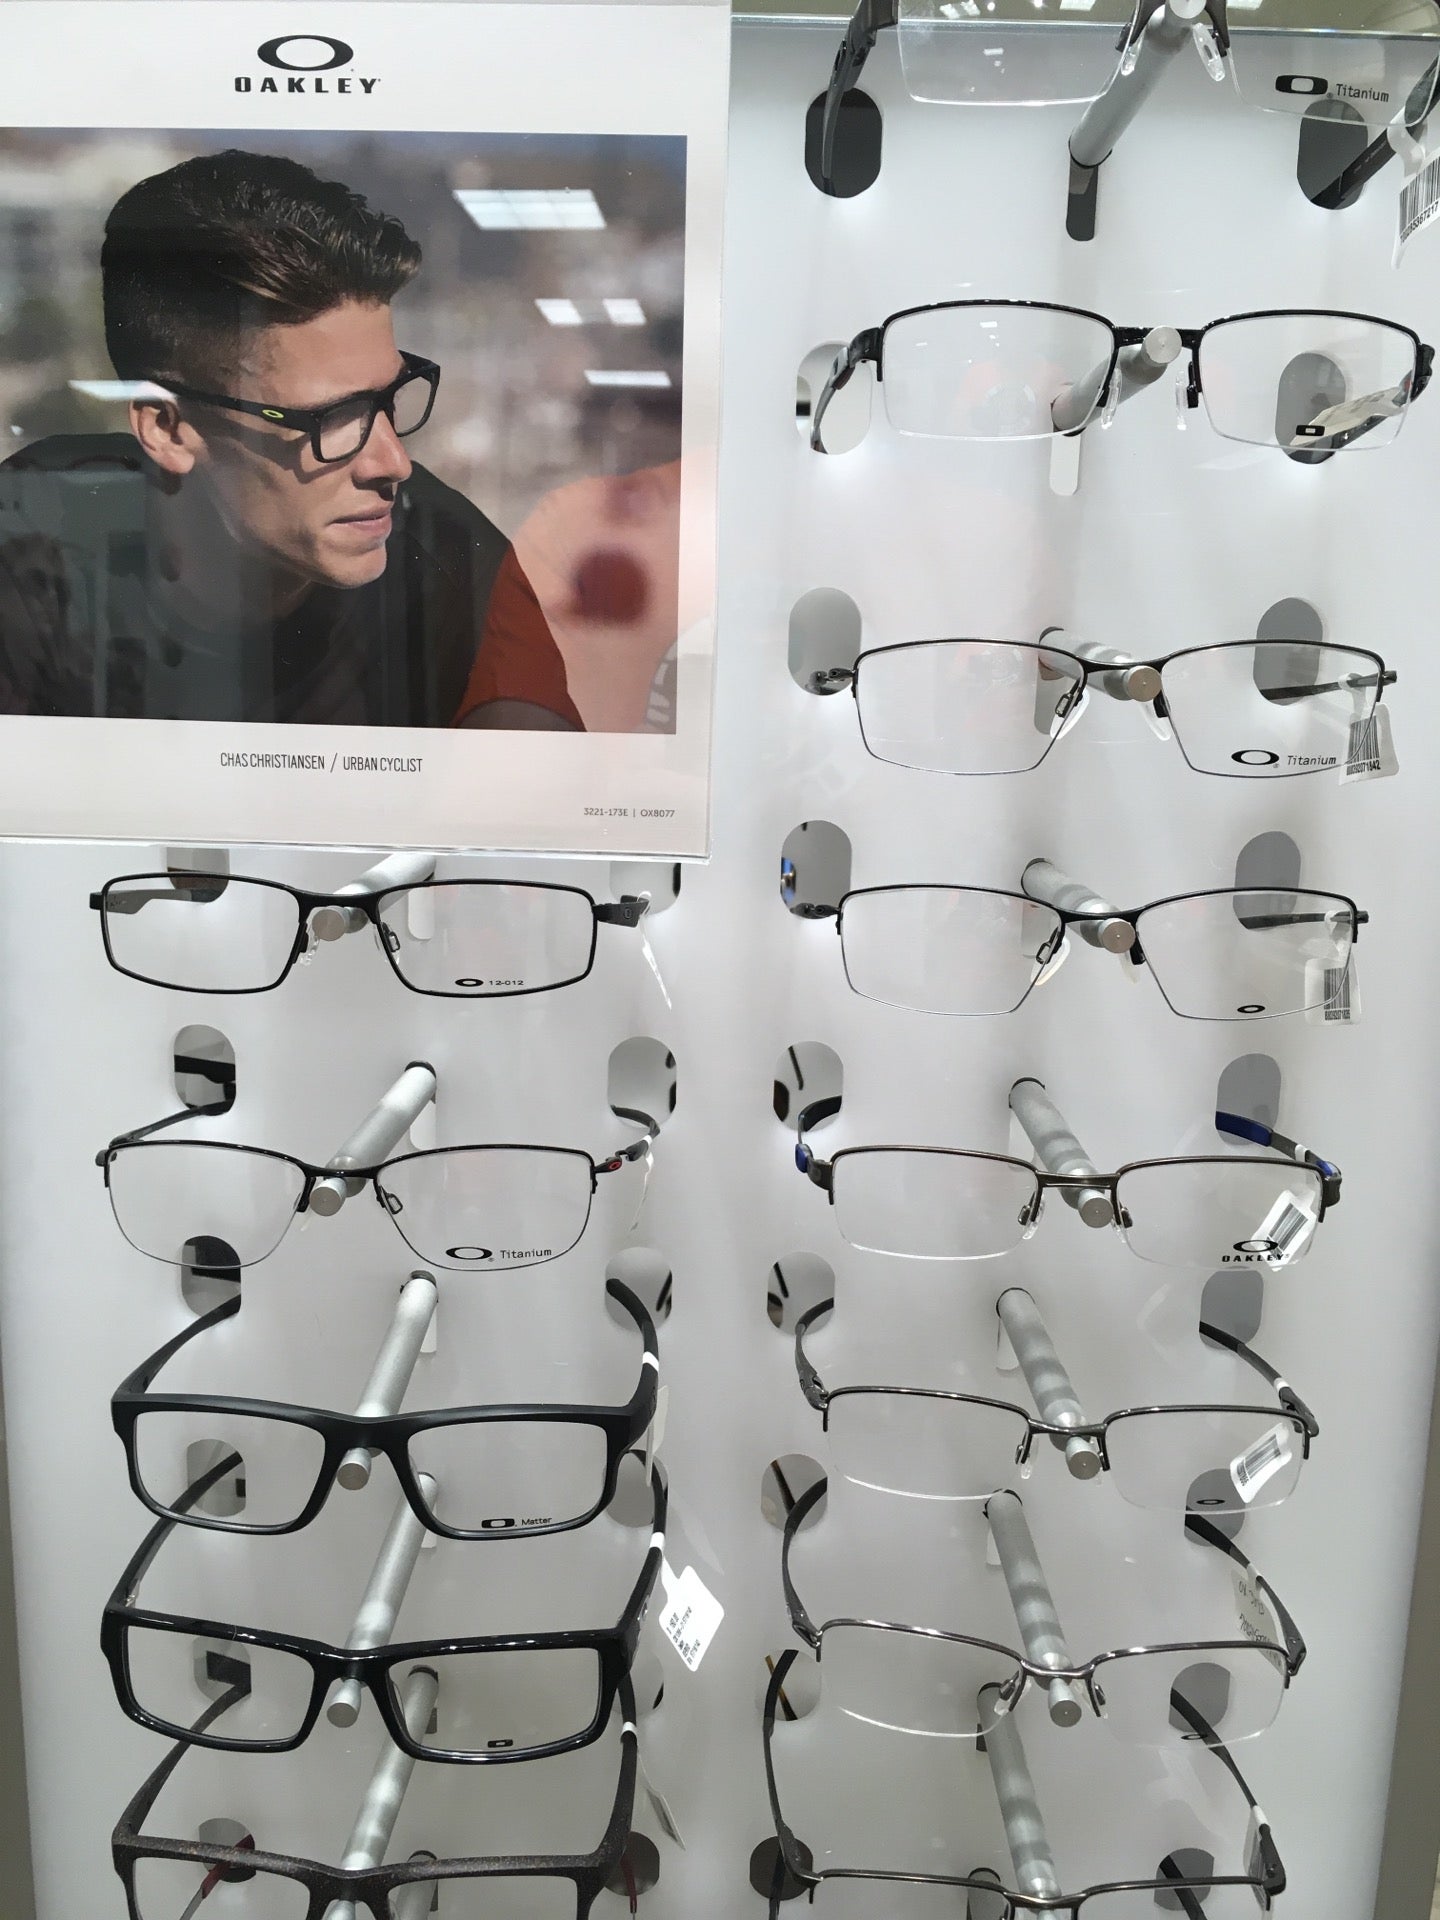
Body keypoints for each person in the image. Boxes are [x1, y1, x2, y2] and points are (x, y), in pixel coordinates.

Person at [0, 150, 583, 729]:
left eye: (389, 398)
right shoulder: (27, 548)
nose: (393, 462)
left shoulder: (452, 564)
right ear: (167, 429)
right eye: (330, 417)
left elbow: (543, 775)